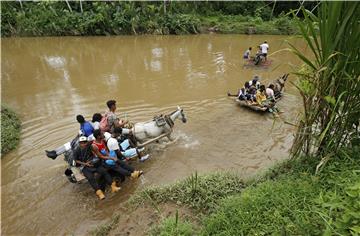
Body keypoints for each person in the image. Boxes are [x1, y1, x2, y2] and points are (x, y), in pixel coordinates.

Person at [73, 136, 120, 200]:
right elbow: (76, 160)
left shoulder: (90, 146)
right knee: (90, 178)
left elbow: (96, 152)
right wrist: (85, 164)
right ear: (79, 143)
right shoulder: (77, 150)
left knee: (104, 171)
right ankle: (99, 193)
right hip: (84, 166)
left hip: (92, 163)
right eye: (82, 143)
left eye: (85, 142)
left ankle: (113, 186)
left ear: (87, 142)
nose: (84, 144)